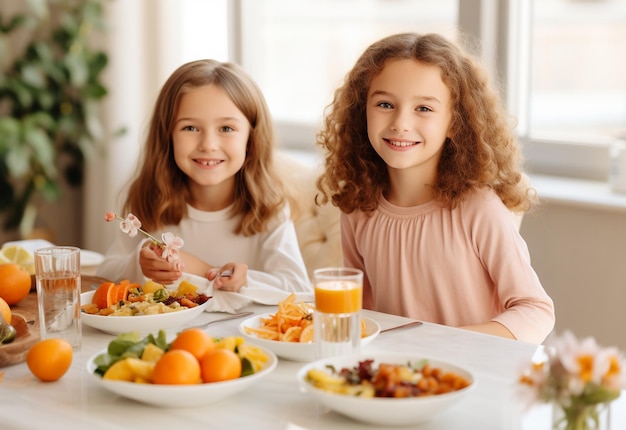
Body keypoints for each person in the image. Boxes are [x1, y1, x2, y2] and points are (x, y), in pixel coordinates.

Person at [316, 33, 555, 344]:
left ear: (455, 122)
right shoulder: (358, 206)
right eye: (385, 104)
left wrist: (440, 343)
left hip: (473, 379)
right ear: (363, 111)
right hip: (396, 379)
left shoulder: (478, 209)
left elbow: (535, 310)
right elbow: (364, 312)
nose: (401, 123)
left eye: (424, 109)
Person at [98, 59, 311, 297]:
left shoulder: (269, 208)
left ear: (251, 140)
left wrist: (236, 279)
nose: (208, 145)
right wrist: (140, 259)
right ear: (168, 136)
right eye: (190, 128)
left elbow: (298, 289)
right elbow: (104, 275)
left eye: (226, 129)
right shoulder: (149, 199)